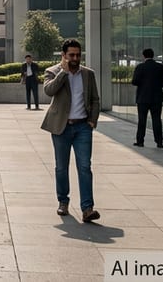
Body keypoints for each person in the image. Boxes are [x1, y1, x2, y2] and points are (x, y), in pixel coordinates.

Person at [42, 39, 101, 222]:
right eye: (71, 55)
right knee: (61, 167)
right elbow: (49, 91)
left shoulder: (88, 74)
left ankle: (87, 208)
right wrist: (63, 73)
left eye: (78, 55)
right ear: (64, 56)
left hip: (83, 126)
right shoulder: (52, 72)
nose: (75, 58)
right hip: (61, 127)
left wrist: (92, 120)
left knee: (84, 167)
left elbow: (95, 99)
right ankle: (63, 202)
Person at [131, 48, 163, 149]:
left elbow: (134, 81)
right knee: (157, 120)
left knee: (142, 120)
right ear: (153, 55)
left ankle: (140, 141)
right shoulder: (160, 67)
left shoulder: (140, 67)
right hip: (156, 98)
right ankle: (159, 142)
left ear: (143, 56)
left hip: (143, 98)